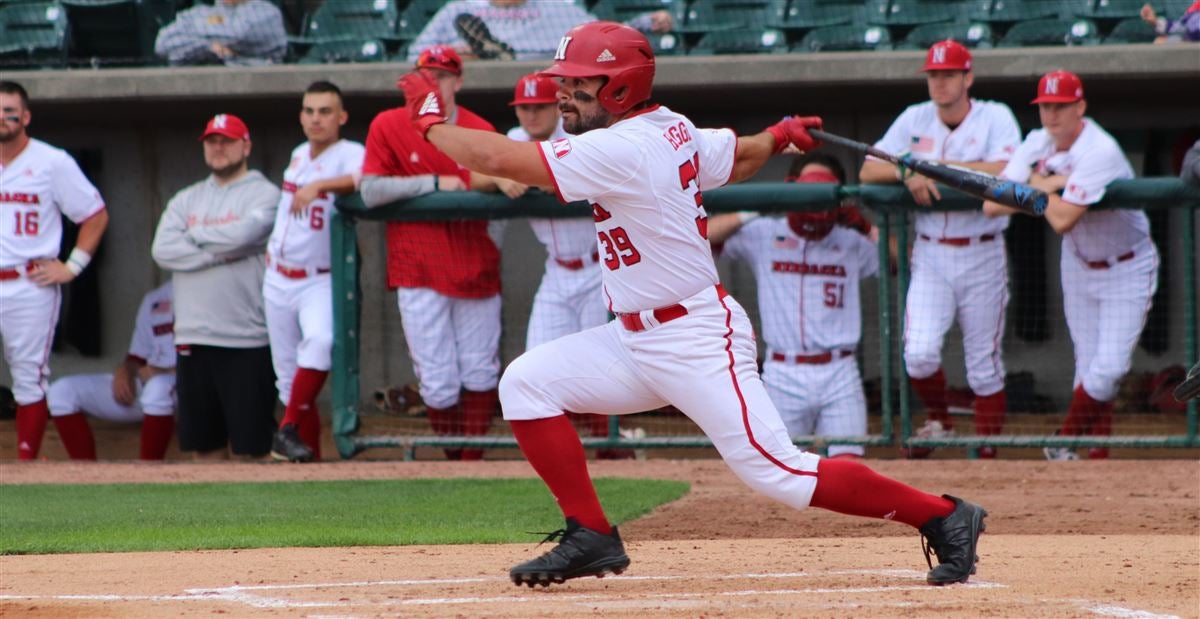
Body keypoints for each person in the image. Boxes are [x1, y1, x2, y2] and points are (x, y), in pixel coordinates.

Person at [397, 20, 987, 588]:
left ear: (621, 86)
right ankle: (592, 534)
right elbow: (744, 155)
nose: (563, 92)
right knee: (525, 383)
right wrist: (780, 136)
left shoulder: (624, 146)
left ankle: (942, 514)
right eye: (564, 79)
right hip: (632, 338)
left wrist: (429, 121)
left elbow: (502, 160)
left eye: (579, 82)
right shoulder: (668, 126)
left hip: (695, 338)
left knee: (778, 473)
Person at [984, 70, 1159, 461]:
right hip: (1079, 262)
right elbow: (992, 204)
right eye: (1045, 105)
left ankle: (1063, 441)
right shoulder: (1036, 141)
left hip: (1127, 265)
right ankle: (1095, 458)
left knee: (1109, 369)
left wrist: (1037, 186)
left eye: (1060, 105)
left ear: (1079, 106)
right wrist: (1049, 184)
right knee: (1088, 366)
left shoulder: (1100, 149)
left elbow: (1063, 220)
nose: (1051, 114)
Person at [858, 40, 1021, 459]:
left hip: (982, 250)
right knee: (918, 353)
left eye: (949, 74)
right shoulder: (914, 117)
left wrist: (930, 169)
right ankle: (941, 421)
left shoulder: (994, 116)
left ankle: (987, 449)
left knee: (983, 364)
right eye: (934, 75)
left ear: (968, 78)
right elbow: (869, 169)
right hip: (930, 251)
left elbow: (1008, 170)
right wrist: (904, 168)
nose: (940, 83)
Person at [360, 46, 501, 461]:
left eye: (442, 75)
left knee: (480, 370)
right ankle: (454, 463)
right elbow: (370, 191)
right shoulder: (388, 124)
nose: (434, 83)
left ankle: (472, 464)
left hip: (474, 262)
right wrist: (435, 184)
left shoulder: (478, 127)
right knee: (437, 380)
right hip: (417, 266)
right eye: (426, 75)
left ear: (458, 81)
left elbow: (501, 199)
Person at [499, 72, 633, 459]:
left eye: (539, 106)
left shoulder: (579, 136)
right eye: (524, 107)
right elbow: (478, 169)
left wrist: (537, 175)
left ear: (556, 105)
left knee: (601, 370)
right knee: (533, 367)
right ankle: (563, 456)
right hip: (556, 271)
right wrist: (497, 177)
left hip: (598, 268)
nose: (531, 115)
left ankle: (613, 452)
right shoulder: (514, 139)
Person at [707, 153, 877, 459]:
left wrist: (867, 228)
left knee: (849, 465)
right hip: (783, 371)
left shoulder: (851, 241)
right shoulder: (765, 233)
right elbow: (702, 238)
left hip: (840, 371)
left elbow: (905, 261)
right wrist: (756, 209)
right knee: (778, 466)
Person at [151, 113, 280, 459]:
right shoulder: (186, 198)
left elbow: (246, 235)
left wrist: (192, 238)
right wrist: (221, 253)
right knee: (204, 449)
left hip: (246, 338)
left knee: (253, 450)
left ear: (246, 146)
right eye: (212, 141)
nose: (218, 148)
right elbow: (162, 250)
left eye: (227, 140)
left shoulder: (265, 193)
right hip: (193, 337)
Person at [0, 80, 110, 461]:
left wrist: (73, 266)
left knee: (28, 377)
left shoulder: (52, 161)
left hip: (28, 281)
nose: (2, 118)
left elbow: (94, 214)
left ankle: (26, 465)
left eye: (10, 111)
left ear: (25, 116)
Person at [265, 82, 365, 463]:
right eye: (309, 111)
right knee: (287, 379)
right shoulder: (297, 154)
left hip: (318, 277)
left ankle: (286, 429)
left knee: (321, 343)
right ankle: (305, 462)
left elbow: (363, 177)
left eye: (325, 112)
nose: (316, 118)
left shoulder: (349, 152)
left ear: (341, 117)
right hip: (276, 275)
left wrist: (320, 185)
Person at [46, 281, 177, 460]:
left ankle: (149, 475)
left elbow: (219, 361)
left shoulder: (214, 294)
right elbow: (137, 357)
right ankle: (86, 478)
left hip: (192, 388)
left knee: (157, 388)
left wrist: (167, 371)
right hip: (151, 386)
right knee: (61, 390)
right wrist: (124, 371)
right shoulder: (156, 297)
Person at [406, 0, 673, 62]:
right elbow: (413, 55)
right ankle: (491, 52)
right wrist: (451, 54)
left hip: (537, 73)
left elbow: (601, 32)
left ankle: (502, 54)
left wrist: (646, 22)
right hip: (473, 72)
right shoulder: (461, 8)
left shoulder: (554, 6)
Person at [154, 0, 287, 66]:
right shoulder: (196, 13)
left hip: (253, 90)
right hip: (201, 90)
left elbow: (238, 34)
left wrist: (195, 35)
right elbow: (163, 44)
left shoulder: (267, 12)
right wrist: (209, 47)